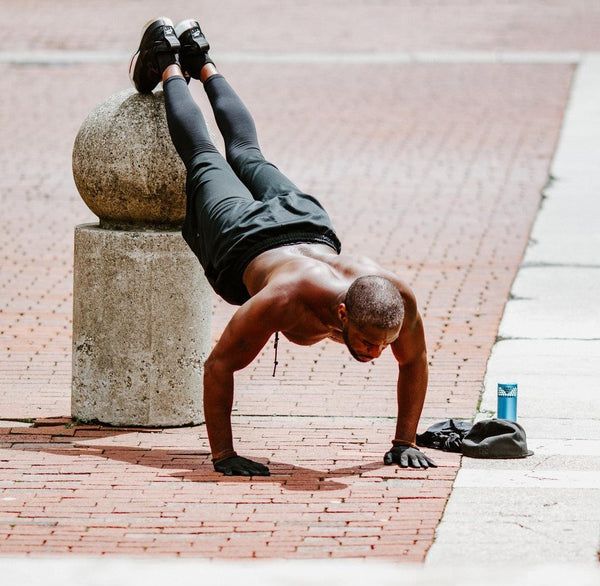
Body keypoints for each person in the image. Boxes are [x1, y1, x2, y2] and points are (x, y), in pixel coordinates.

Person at [130, 17, 437, 476]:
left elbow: (413, 359)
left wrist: (404, 441)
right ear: (342, 314)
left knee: (248, 153)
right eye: (370, 344)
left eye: (381, 345)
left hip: (307, 223)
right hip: (242, 235)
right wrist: (223, 455)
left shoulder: (396, 299)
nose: (376, 354)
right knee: (205, 155)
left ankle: (203, 58)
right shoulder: (282, 300)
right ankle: (169, 60)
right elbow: (218, 367)